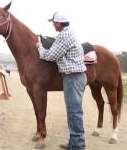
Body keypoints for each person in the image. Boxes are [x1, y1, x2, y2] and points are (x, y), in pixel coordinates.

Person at [36, 11, 87, 150]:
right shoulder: (68, 32)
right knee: (72, 112)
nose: (53, 25)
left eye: (53, 22)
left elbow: (50, 55)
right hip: (74, 77)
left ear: (58, 23)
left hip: (73, 78)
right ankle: (74, 142)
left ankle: (78, 147)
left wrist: (40, 47)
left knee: (74, 113)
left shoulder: (64, 36)